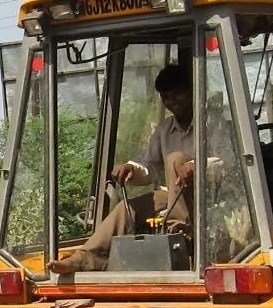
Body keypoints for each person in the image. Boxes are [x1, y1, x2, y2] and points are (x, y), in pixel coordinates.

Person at [48, 63, 196, 274]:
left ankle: (180, 237)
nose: (173, 101)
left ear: (191, 91)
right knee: (127, 210)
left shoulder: (210, 121)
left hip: (207, 196)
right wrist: (131, 169)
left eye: (178, 94)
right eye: (167, 96)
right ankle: (83, 258)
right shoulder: (165, 129)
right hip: (173, 195)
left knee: (176, 158)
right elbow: (149, 167)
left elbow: (227, 160)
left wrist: (195, 166)